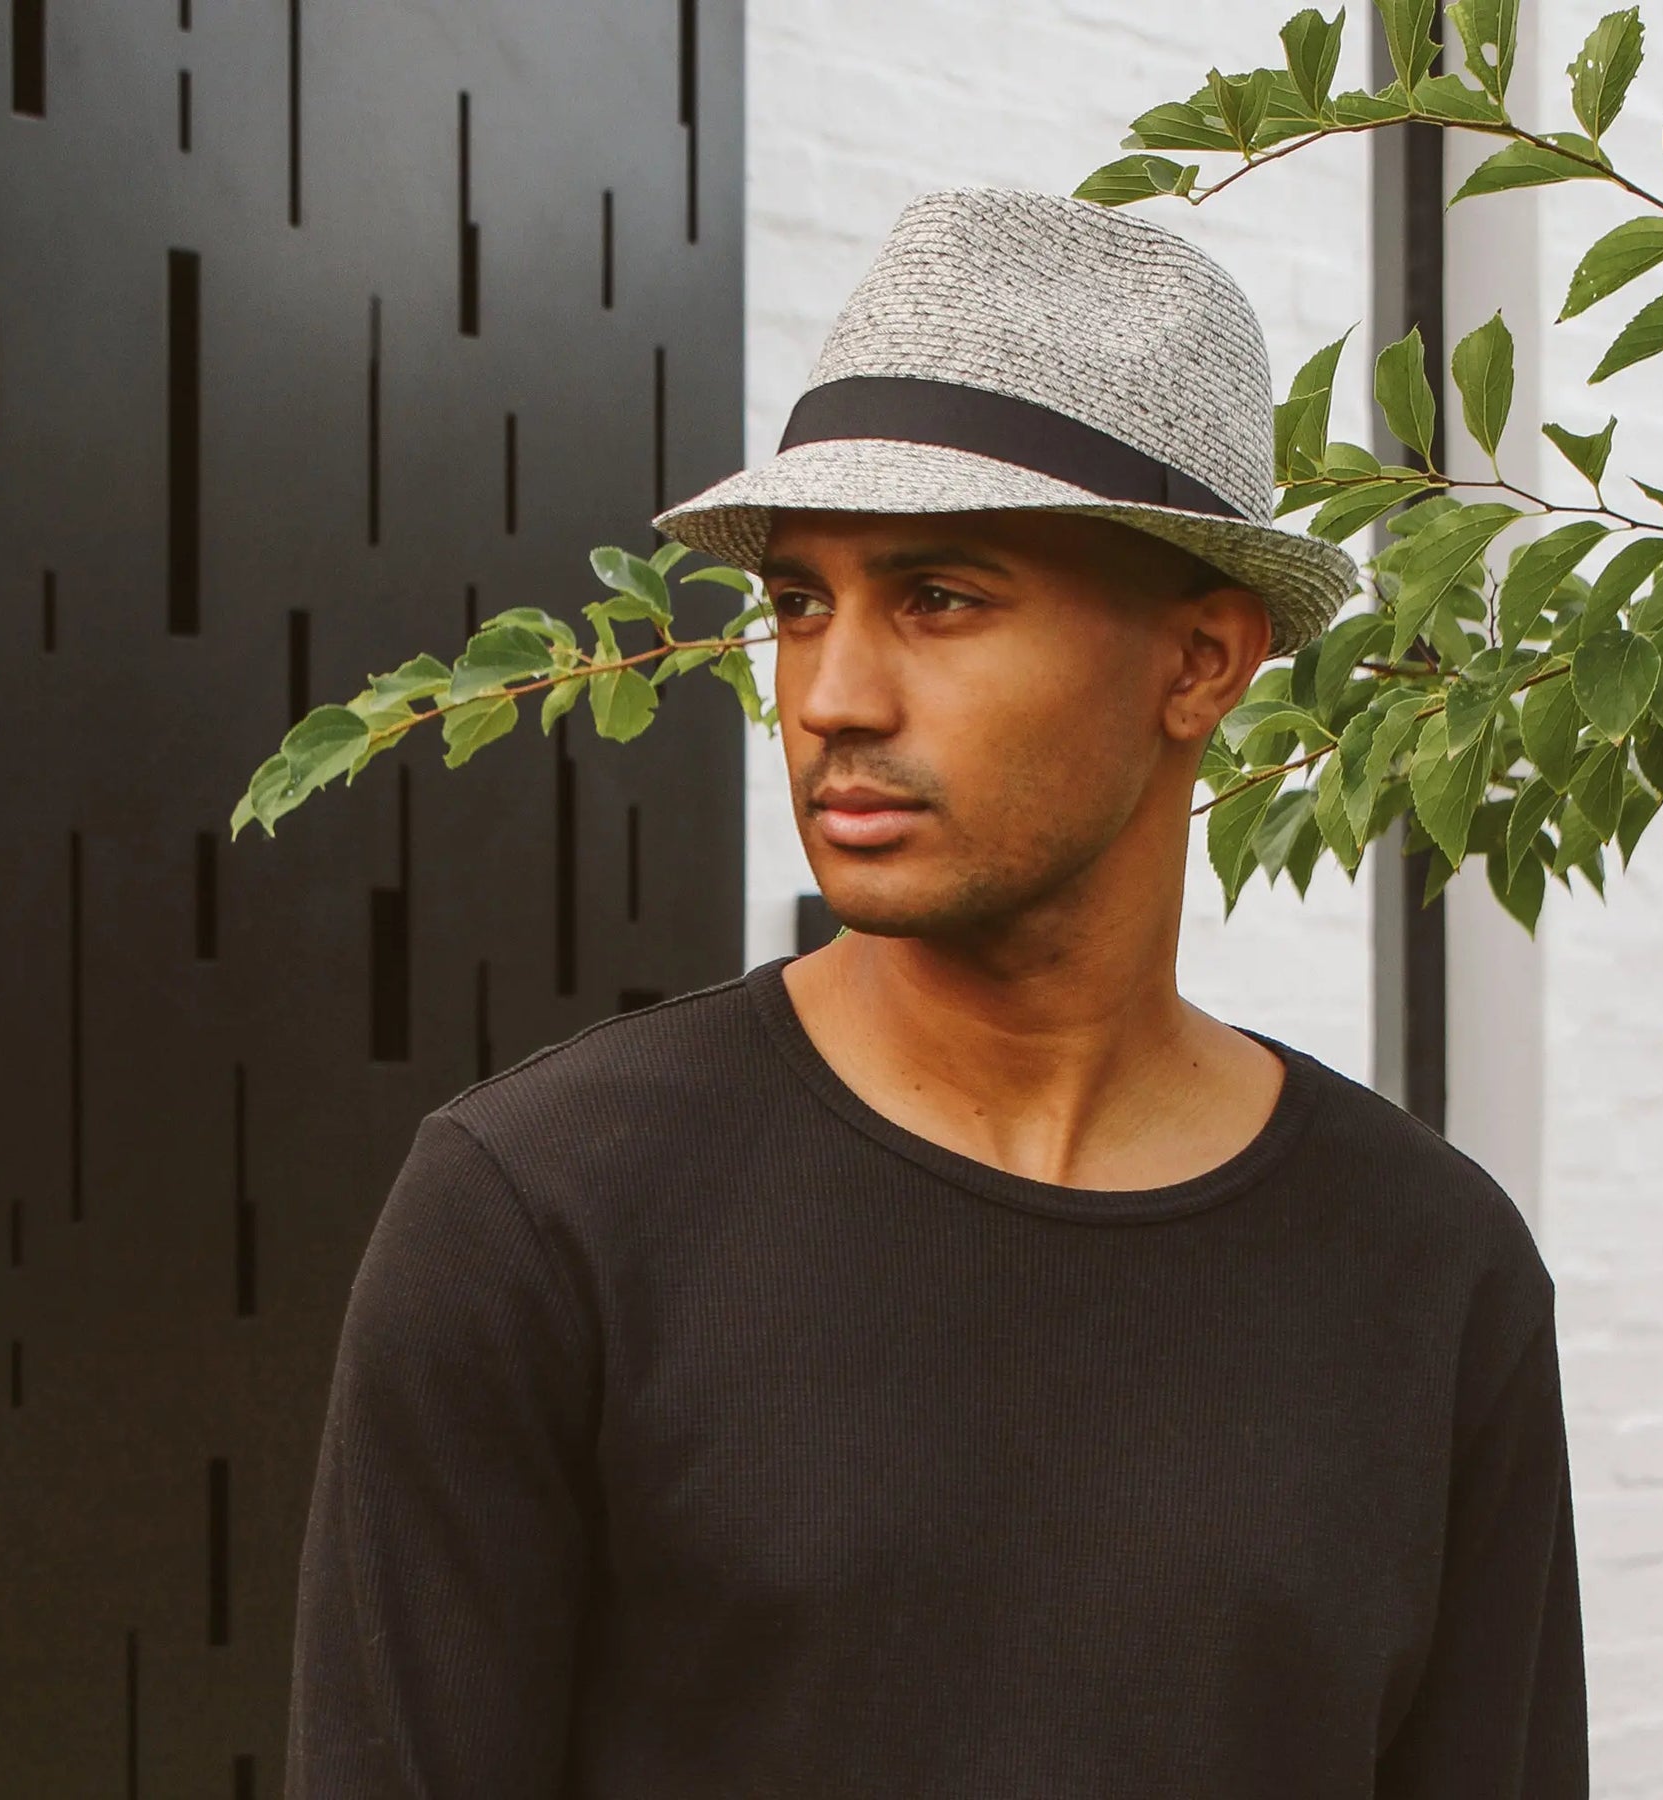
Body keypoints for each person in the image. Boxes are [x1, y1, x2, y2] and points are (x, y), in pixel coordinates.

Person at [284, 186, 1589, 1798]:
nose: (831, 696)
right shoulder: (544, 1213)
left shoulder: (1429, 1271)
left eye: (941, 598)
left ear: (1201, 662)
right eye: (798, 603)